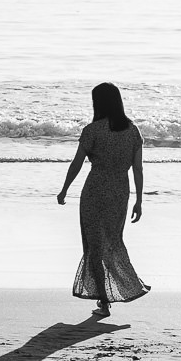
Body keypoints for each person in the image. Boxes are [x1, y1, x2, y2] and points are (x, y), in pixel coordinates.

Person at [56, 82, 148, 316]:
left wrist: (65, 189)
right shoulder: (133, 131)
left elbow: (77, 163)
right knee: (112, 241)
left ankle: (107, 300)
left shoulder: (92, 130)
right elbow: (138, 170)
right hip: (120, 193)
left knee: (94, 245)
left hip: (94, 192)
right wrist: (139, 200)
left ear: (99, 103)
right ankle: (118, 291)